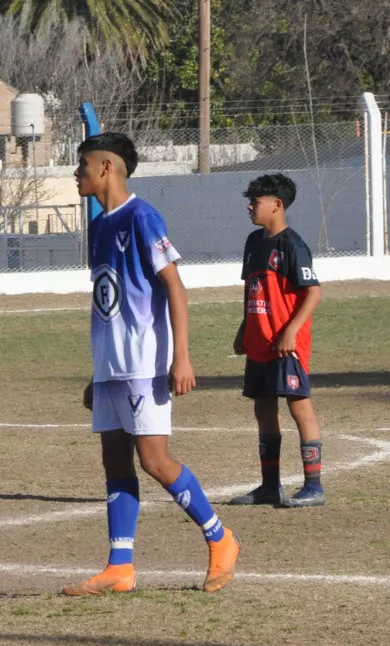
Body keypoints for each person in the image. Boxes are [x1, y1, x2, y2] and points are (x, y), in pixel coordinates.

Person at [63, 132, 240, 596]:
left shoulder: (143, 216)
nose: (75, 174)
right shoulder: (98, 227)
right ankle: (119, 566)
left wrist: (181, 357)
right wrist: (96, 372)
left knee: (154, 461)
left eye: (81, 165)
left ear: (106, 167)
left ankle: (220, 538)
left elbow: (174, 288)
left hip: (145, 364)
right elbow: (107, 302)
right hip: (110, 368)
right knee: (115, 463)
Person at [229, 174, 325, 508]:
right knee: (263, 408)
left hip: (286, 344)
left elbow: (313, 293)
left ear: (277, 204)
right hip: (259, 341)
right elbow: (252, 289)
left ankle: (314, 486)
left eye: (256, 201)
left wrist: (291, 331)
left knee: (299, 406)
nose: (250, 206)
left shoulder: (292, 245)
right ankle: (270, 486)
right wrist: (244, 328)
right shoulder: (254, 243)